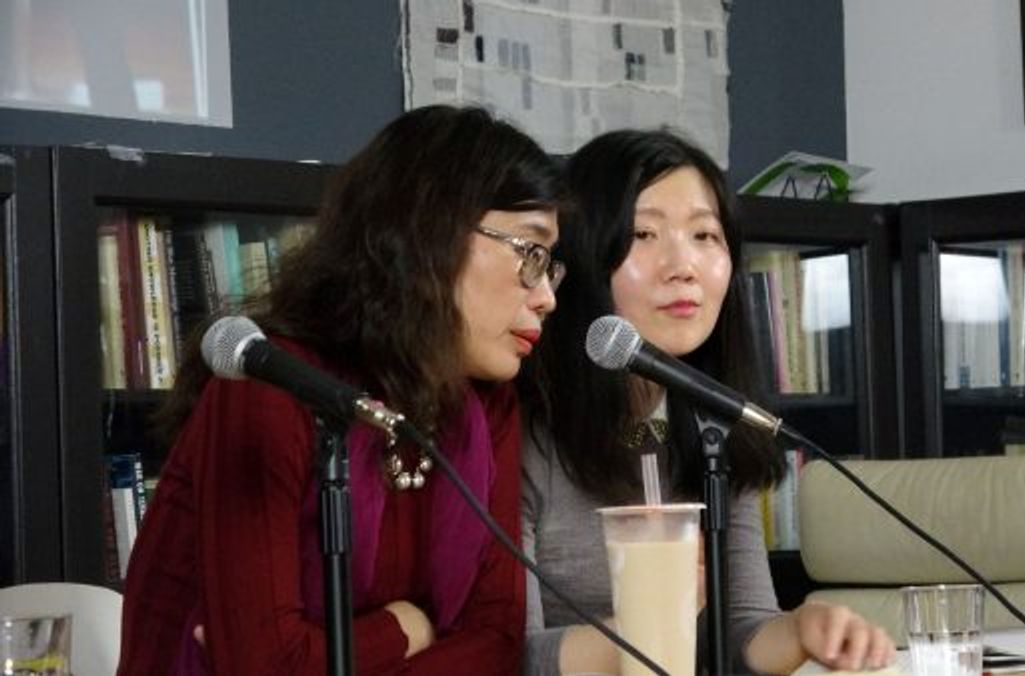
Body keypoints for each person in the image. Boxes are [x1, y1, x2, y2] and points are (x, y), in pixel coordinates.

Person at [118, 105, 568, 674]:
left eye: (550, 265)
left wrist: (349, 650)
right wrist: (408, 627)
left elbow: (497, 643)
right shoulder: (267, 388)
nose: (546, 297)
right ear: (428, 234)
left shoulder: (486, 405)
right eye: (529, 252)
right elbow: (270, 665)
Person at [518, 129, 896, 675]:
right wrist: (652, 625)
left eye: (704, 235)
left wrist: (801, 630)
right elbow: (508, 656)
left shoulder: (715, 423)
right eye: (644, 233)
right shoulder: (520, 436)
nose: (683, 265)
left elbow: (739, 631)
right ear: (582, 252)